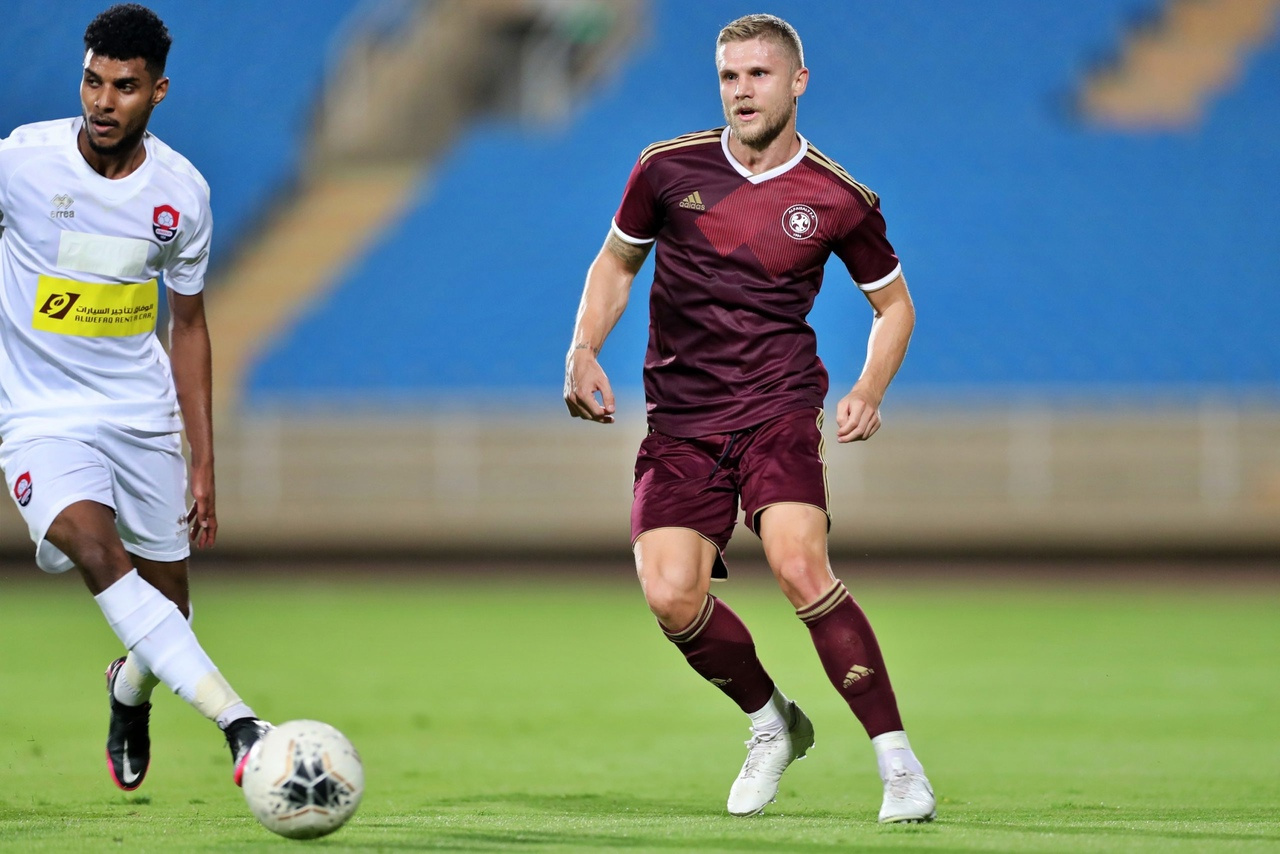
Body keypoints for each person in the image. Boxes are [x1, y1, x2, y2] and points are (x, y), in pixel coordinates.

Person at [564, 13, 934, 823]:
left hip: (776, 407)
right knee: (670, 596)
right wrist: (583, 347)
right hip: (680, 421)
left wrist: (870, 387)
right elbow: (617, 263)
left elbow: (895, 306)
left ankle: (899, 764)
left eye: (759, 75)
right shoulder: (667, 169)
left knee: (799, 564)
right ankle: (773, 722)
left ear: (797, 83)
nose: (742, 91)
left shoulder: (837, 198)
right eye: (730, 76)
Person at [0, 4, 270, 791]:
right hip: (39, 416)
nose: (102, 101)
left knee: (168, 613)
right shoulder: (21, 164)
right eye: (92, 81)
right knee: (95, 550)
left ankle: (128, 691)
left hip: (139, 415)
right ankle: (241, 723)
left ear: (157, 91)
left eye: (123, 86)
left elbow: (189, 326)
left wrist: (202, 462)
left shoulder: (181, 196)